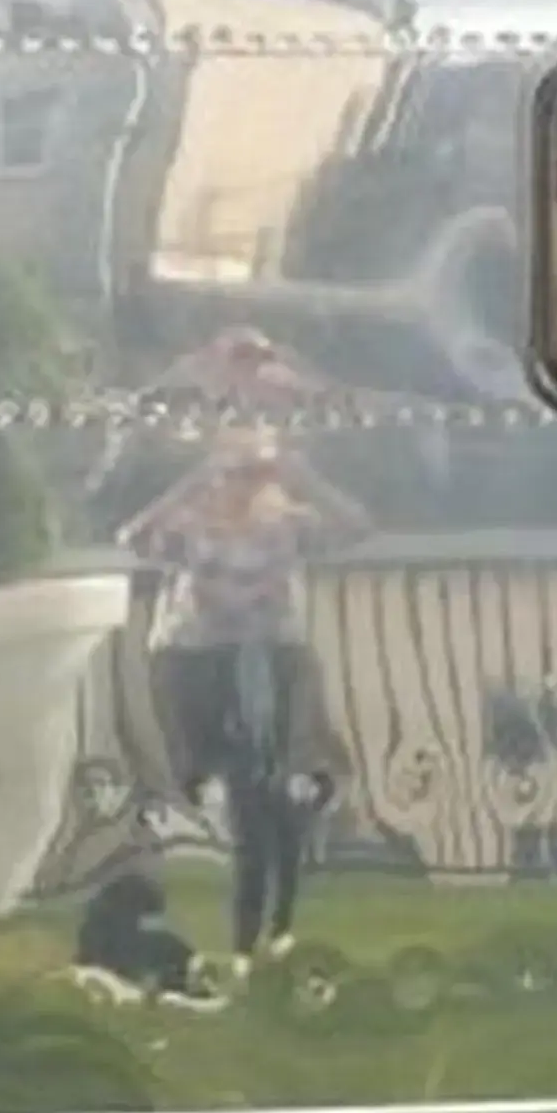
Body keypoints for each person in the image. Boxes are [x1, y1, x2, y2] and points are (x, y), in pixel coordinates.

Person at [121, 416, 371, 970]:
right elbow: (135, 538)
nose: (247, 484)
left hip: (268, 659)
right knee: (242, 794)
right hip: (201, 662)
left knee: (269, 794)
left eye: (257, 470)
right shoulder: (195, 522)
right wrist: (188, 483)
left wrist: (305, 480)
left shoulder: (285, 521)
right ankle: (249, 928)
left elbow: (357, 526)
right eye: (236, 471)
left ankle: (266, 931)